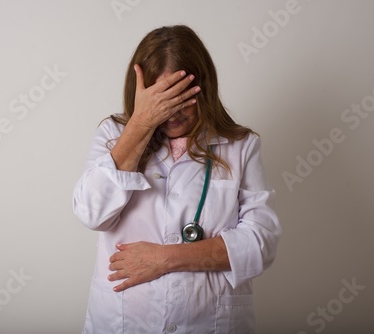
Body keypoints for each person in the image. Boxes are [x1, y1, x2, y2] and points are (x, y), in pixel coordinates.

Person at [73, 24, 281, 334]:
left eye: (182, 97)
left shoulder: (240, 145)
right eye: (160, 99)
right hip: (123, 322)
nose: (172, 112)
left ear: (204, 89)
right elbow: (91, 212)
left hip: (209, 324)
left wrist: (166, 258)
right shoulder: (114, 137)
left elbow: (261, 244)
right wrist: (140, 125)